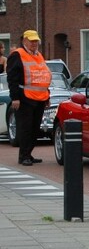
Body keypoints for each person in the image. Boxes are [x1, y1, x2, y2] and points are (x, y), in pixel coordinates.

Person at [6, 30, 51, 166]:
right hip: (24, 98)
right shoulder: (17, 55)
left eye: (36, 41)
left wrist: (47, 95)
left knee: (35, 128)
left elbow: (42, 76)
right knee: (25, 128)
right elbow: (12, 78)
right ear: (24, 40)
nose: (34, 43)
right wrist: (15, 98)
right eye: (31, 41)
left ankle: (28, 154)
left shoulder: (39, 55)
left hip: (40, 98)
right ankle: (23, 156)